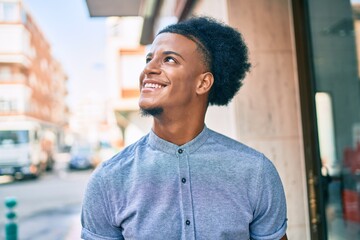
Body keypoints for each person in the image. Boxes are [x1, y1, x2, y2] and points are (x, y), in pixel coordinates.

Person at [81, 16, 288, 240]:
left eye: (169, 59)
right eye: (149, 59)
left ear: (203, 83)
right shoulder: (109, 179)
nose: (149, 69)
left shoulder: (255, 172)